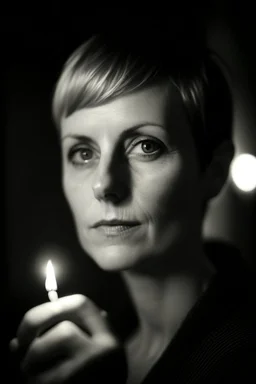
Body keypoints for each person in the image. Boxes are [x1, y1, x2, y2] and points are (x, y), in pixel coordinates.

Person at [9, 27, 256, 384]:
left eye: (145, 146)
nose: (105, 185)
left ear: (213, 172)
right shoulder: (101, 341)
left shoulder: (240, 357)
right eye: (83, 152)